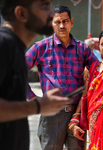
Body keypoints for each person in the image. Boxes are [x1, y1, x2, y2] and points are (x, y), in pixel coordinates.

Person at [0, 0, 73, 150]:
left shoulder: (16, 47)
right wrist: (38, 106)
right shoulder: (4, 45)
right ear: (22, 13)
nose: (51, 14)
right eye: (45, 6)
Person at [25, 4, 98, 150]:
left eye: (65, 21)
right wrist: (33, 98)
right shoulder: (41, 47)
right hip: (51, 114)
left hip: (77, 115)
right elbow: (17, 72)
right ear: (51, 23)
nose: (62, 25)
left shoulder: (82, 48)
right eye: (57, 22)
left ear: (71, 22)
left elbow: (99, 71)